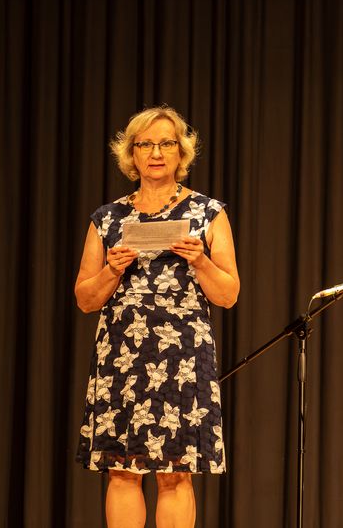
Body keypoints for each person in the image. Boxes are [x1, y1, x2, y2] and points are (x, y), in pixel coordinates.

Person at [75, 106, 240, 528]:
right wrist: (112, 270)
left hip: (182, 353)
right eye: (145, 144)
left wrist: (200, 261)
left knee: (175, 470)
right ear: (131, 153)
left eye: (166, 143)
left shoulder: (207, 212)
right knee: (122, 468)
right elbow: (85, 299)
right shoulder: (108, 218)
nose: (155, 153)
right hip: (122, 354)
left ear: (181, 151)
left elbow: (228, 294)